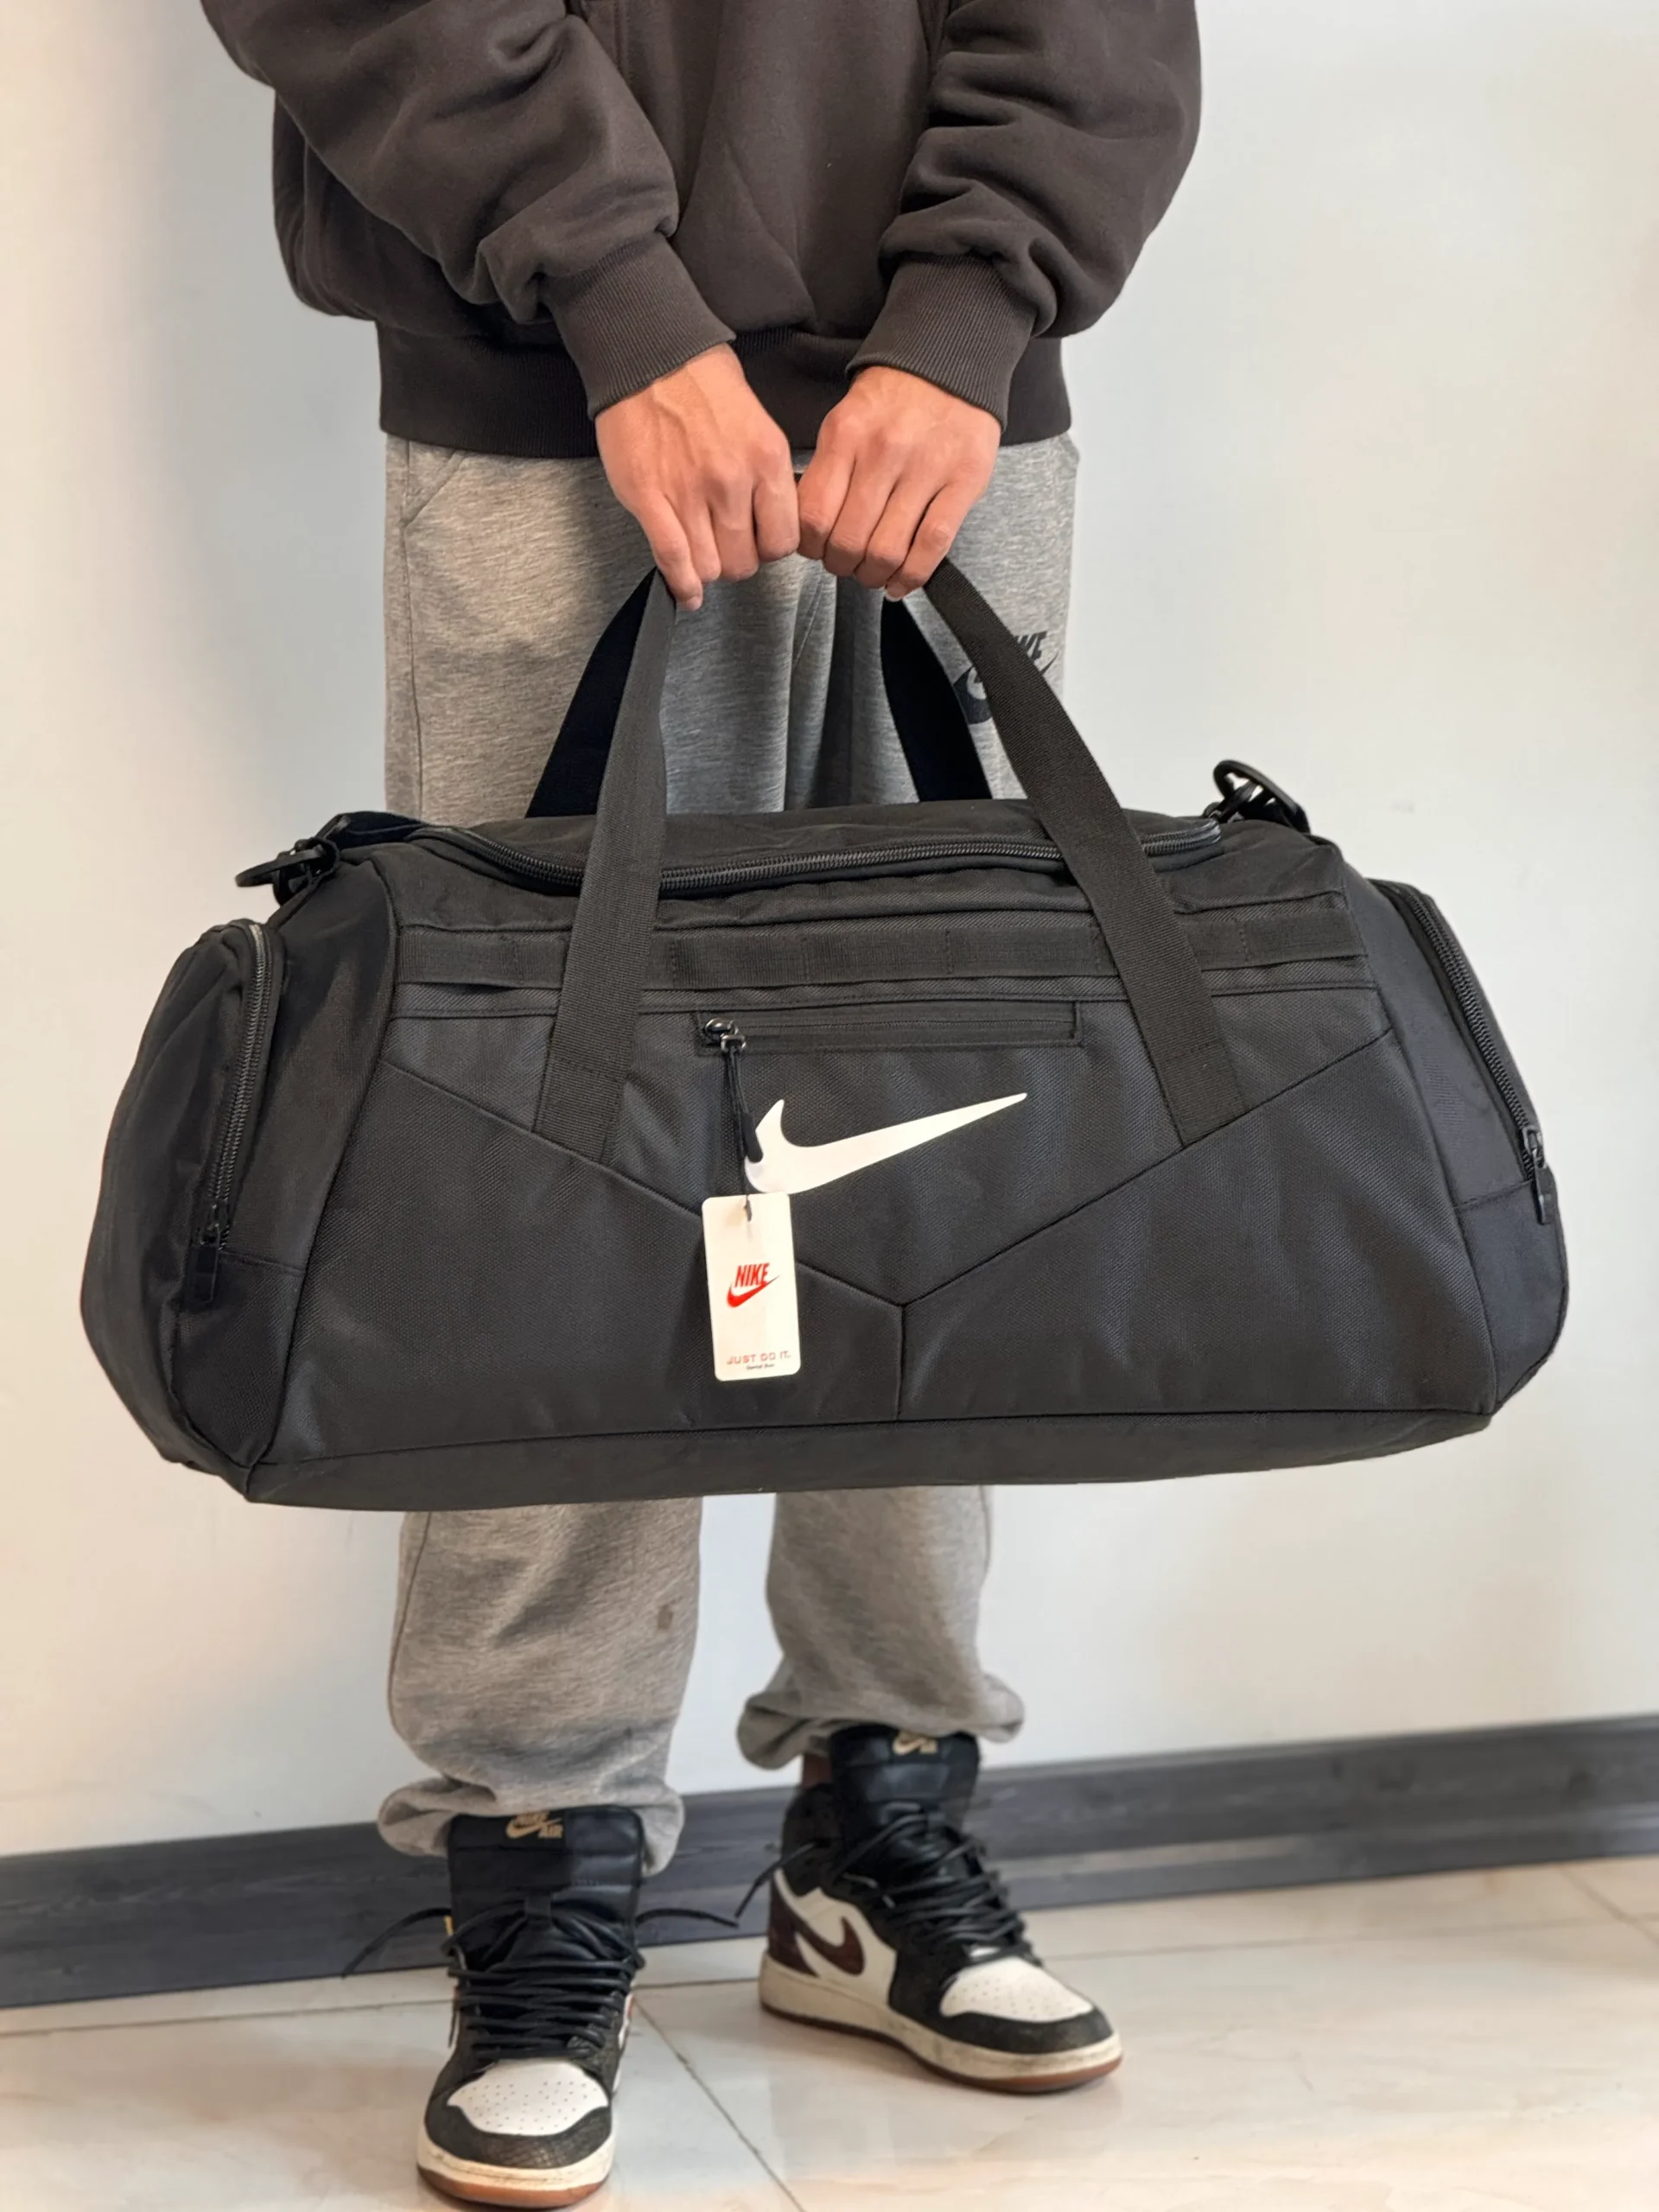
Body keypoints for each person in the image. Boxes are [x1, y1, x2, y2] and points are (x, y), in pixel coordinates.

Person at [201, 3, 1201, 2202]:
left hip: (950, 414)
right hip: (555, 391)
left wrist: (976, 305)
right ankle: (539, 1838)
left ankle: (882, 1811)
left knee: (946, 1150)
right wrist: (618, 293)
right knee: (542, 1149)